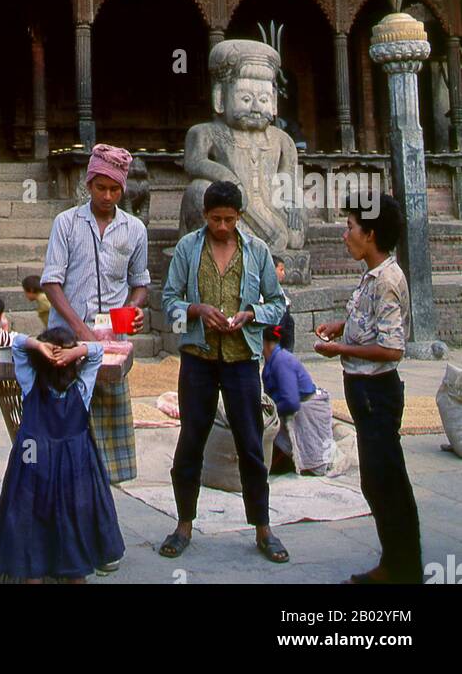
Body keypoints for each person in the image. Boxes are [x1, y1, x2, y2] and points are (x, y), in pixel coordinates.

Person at [160, 180, 290, 562]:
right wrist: (196, 311)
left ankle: (263, 528)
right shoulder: (188, 248)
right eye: (215, 219)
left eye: (229, 220)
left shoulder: (257, 251)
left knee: (251, 444)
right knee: (191, 441)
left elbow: (277, 303)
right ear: (204, 216)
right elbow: (169, 301)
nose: (221, 226)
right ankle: (184, 524)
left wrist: (251, 316)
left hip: (242, 360)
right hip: (198, 358)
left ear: (239, 218)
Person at [314, 195, 422, 585]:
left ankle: (402, 567)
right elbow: (371, 323)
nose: (345, 235)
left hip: (378, 392)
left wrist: (339, 349)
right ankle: (396, 563)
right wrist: (340, 327)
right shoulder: (372, 275)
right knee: (377, 479)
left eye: (350, 228)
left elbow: (392, 348)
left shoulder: (389, 280)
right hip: (364, 391)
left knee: (385, 479)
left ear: (370, 234)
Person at [41, 143, 150, 488]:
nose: (107, 195)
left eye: (115, 188)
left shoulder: (134, 229)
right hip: (67, 339)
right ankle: (66, 486)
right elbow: (52, 282)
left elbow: (140, 282)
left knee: (107, 422)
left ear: (123, 189)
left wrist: (133, 310)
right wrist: (80, 330)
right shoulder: (66, 223)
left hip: (112, 342)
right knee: (68, 419)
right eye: (101, 187)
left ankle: (103, 492)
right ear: (88, 185)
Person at [0, 327, 125, 582]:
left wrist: (39, 347)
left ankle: (36, 571)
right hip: (73, 468)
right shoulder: (83, 386)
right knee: (74, 524)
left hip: (32, 465)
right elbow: (97, 352)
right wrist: (78, 351)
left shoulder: (29, 381)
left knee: (31, 525)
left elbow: (16, 343)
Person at [262, 325, 332, 475]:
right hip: (287, 407)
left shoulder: (281, 361)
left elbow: (291, 402)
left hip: (301, 411)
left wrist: (270, 412)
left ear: (265, 343)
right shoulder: (273, 360)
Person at [272, 255, 296, 351]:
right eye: (281, 270)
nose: (284, 274)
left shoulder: (278, 287)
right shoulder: (267, 286)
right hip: (277, 319)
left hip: (285, 316)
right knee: (277, 335)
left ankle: (287, 351)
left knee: (287, 333)